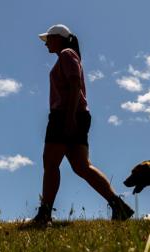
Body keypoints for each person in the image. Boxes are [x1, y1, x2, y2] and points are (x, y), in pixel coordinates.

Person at [32, 24, 134, 226]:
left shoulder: (67, 54)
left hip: (65, 115)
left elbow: (74, 84)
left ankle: (45, 215)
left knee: (51, 163)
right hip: (77, 114)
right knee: (81, 166)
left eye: (49, 39)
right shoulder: (69, 55)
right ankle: (118, 206)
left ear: (59, 38)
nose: (46, 45)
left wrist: (69, 118)